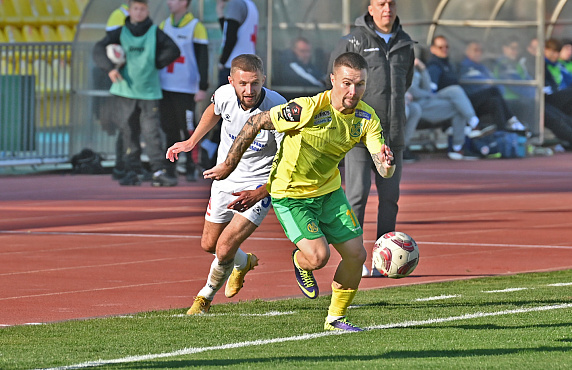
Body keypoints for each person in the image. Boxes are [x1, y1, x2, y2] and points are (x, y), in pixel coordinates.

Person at [203, 52, 396, 332]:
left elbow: (382, 166)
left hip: (329, 192)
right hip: (291, 195)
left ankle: (336, 318)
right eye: (346, 83)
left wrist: (387, 163)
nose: (353, 91)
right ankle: (300, 261)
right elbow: (255, 122)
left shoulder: (367, 117)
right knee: (318, 258)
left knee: (356, 255)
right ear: (333, 80)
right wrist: (228, 165)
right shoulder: (307, 109)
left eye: (360, 84)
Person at [166, 54, 286, 314]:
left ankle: (204, 298)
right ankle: (244, 263)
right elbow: (214, 111)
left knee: (223, 247)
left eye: (255, 83)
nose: (249, 90)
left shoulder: (277, 107)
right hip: (224, 178)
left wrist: (263, 190)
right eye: (242, 83)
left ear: (263, 80)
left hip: (256, 185)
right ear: (231, 81)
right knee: (209, 245)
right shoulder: (223, 94)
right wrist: (191, 141)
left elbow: (287, 156)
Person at [328, 0, 414, 277]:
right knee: (356, 195)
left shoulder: (406, 43)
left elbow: (406, 82)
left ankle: (384, 259)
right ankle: (354, 257)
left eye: (391, 3)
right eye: (381, 3)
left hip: (393, 134)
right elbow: (334, 80)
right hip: (358, 135)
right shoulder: (353, 40)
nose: (387, 8)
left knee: (390, 198)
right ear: (371, 7)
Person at [93, 0, 180, 187]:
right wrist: (110, 68)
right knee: (128, 132)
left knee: (151, 132)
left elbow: (174, 50)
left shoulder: (155, 32)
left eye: (142, 9)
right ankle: (131, 170)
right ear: (130, 10)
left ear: (147, 11)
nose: (139, 12)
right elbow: (98, 49)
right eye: (135, 9)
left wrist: (156, 62)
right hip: (125, 90)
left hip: (148, 90)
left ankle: (158, 170)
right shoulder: (119, 32)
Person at [427, 36, 524, 158]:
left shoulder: (449, 65)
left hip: (463, 102)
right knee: (487, 90)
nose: (444, 49)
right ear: (432, 49)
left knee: (495, 101)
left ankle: (502, 138)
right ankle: (477, 123)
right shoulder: (434, 66)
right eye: (440, 47)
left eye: (446, 47)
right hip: (451, 104)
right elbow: (431, 91)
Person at [159, 0, 209, 183]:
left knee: (189, 129)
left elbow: (203, 57)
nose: (169, 3)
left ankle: (192, 165)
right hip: (166, 86)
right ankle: (170, 168)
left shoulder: (196, 26)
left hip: (186, 88)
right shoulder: (164, 24)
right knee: (169, 128)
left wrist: (203, 86)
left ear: (184, 3)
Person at [495, 36, 572, 148]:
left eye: (516, 48)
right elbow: (518, 87)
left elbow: (527, 81)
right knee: (552, 117)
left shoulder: (515, 64)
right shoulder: (505, 64)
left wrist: (538, 94)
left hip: (530, 99)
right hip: (514, 102)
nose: (514, 51)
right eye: (512, 48)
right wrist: (537, 94)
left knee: (559, 116)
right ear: (504, 48)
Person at [408, 57, 481, 160]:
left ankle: (472, 123)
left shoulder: (416, 68)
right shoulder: (402, 68)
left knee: (455, 90)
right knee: (457, 108)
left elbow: (427, 87)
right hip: (417, 105)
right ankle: (459, 146)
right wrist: (428, 94)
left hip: (427, 100)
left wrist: (423, 69)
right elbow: (414, 92)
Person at [459, 40, 527, 131]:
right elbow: (484, 86)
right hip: (468, 103)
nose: (479, 53)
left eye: (481, 50)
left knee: (496, 102)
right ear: (466, 51)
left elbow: (498, 85)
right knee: (493, 91)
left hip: (484, 100)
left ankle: (502, 133)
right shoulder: (462, 67)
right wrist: (488, 86)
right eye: (475, 50)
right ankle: (511, 119)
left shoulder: (483, 68)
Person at [216, 0, 258, 87]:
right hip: (248, 61)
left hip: (233, 64)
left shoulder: (236, 3)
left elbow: (231, 37)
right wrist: (221, 14)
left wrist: (222, 61)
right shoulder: (250, 5)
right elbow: (230, 30)